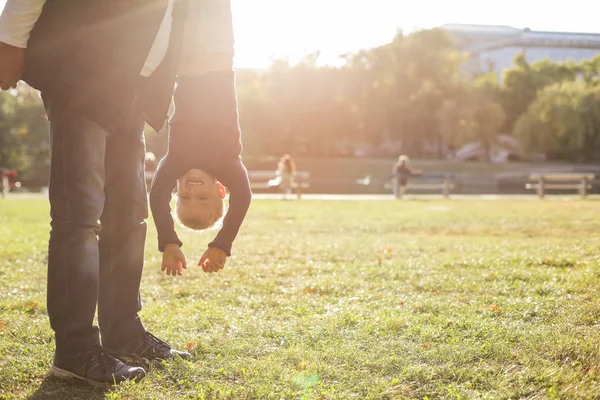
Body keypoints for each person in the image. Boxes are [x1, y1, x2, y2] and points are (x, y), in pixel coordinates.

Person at [0, 0, 237, 386]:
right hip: (82, 73)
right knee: (79, 218)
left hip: (133, 88)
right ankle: (75, 349)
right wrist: (9, 40)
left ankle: (123, 331)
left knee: (129, 217)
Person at [149, 70, 252, 277]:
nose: (192, 191)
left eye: (185, 198)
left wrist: (169, 242)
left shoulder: (176, 162)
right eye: (203, 198)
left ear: (176, 188)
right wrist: (222, 244)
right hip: (218, 64)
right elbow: (243, 197)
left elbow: (157, 196)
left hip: (188, 68)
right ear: (221, 190)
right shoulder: (227, 163)